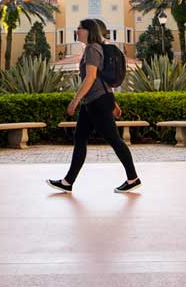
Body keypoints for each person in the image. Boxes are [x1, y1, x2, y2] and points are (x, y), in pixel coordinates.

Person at [47, 18, 140, 193]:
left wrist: (74, 101)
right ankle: (68, 181)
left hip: (97, 102)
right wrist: (114, 103)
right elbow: (101, 79)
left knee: (114, 139)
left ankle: (133, 178)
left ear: (89, 31)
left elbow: (90, 78)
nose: (76, 31)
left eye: (79, 28)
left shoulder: (92, 49)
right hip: (94, 101)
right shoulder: (92, 49)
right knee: (80, 138)